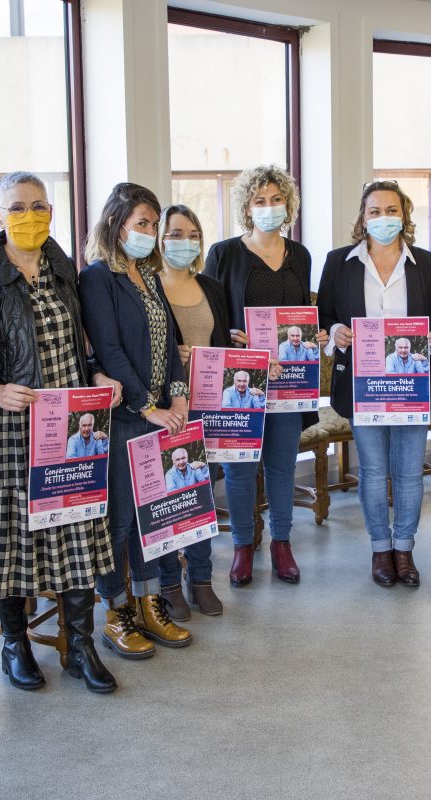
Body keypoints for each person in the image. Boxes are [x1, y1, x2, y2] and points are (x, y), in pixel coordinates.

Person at [0, 171, 122, 694]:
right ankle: (15, 645)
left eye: (38, 205)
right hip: (10, 423)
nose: (29, 216)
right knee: (15, 538)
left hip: (71, 421)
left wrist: (97, 373)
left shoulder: (62, 269)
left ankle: (79, 644)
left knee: (77, 525)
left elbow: (81, 339)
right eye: (16, 207)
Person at [317, 179, 431, 587]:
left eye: (392, 210)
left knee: (409, 473)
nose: (384, 218)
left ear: (405, 215)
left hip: (410, 388)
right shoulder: (338, 263)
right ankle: (380, 550)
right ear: (363, 218)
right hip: (363, 389)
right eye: (375, 211)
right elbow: (324, 318)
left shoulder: (426, 263)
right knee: (374, 471)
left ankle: (405, 549)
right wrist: (335, 333)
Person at [79, 182, 194, 660]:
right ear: (116, 224)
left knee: (153, 520)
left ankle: (150, 603)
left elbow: (170, 342)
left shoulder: (148, 274)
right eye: (141, 223)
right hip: (127, 416)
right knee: (120, 522)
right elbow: (109, 350)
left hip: (163, 415)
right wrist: (149, 407)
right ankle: (116, 611)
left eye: (153, 224)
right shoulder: (97, 277)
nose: (149, 232)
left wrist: (180, 397)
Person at [204, 165, 326, 587]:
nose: (269, 207)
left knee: (281, 465)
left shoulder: (302, 255)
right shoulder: (224, 254)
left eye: (276, 199)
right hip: (241, 379)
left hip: (291, 381)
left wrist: (318, 333)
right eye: (260, 200)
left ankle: (281, 543)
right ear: (246, 207)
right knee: (239, 468)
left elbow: (306, 315)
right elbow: (212, 318)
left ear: (288, 205)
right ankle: (242, 545)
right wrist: (231, 338)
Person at [155, 203, 229, 617]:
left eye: (192, 234)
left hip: (209, 407)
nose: (185, 242)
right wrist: (171, 356)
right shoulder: (146, 287)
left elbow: (227, 345)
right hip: (166, 407)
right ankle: (169, 583)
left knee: (201, 495)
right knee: (167, 500)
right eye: (175, 234)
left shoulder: (212, 287)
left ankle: (200, 577)